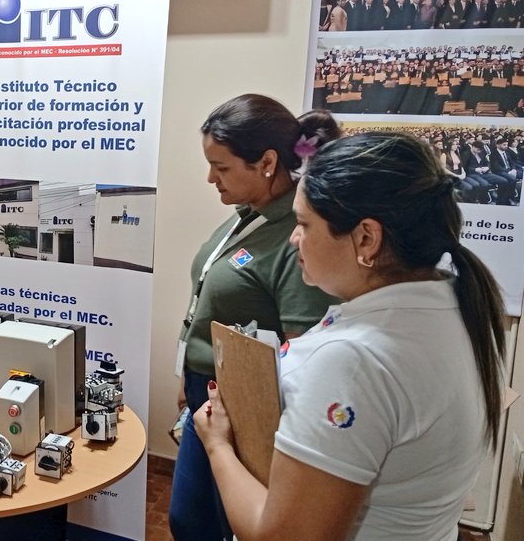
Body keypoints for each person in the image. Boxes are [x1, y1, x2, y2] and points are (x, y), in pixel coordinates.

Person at [195, 132, 505, 540]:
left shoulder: (352, 359)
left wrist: (218, 444)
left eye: (304, 224)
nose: (293, 239)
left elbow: (284, 536)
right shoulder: (457, 307)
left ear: (366, 238)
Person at [168, 94, 341, 541]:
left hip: (247, 405)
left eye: (221, 167)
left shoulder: (295, 236)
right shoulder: (248, 217)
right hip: (208, 392)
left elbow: (302, 349)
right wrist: (190, 377)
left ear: (266, 162)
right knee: (190, 520)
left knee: (224, 524)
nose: (211, 178)